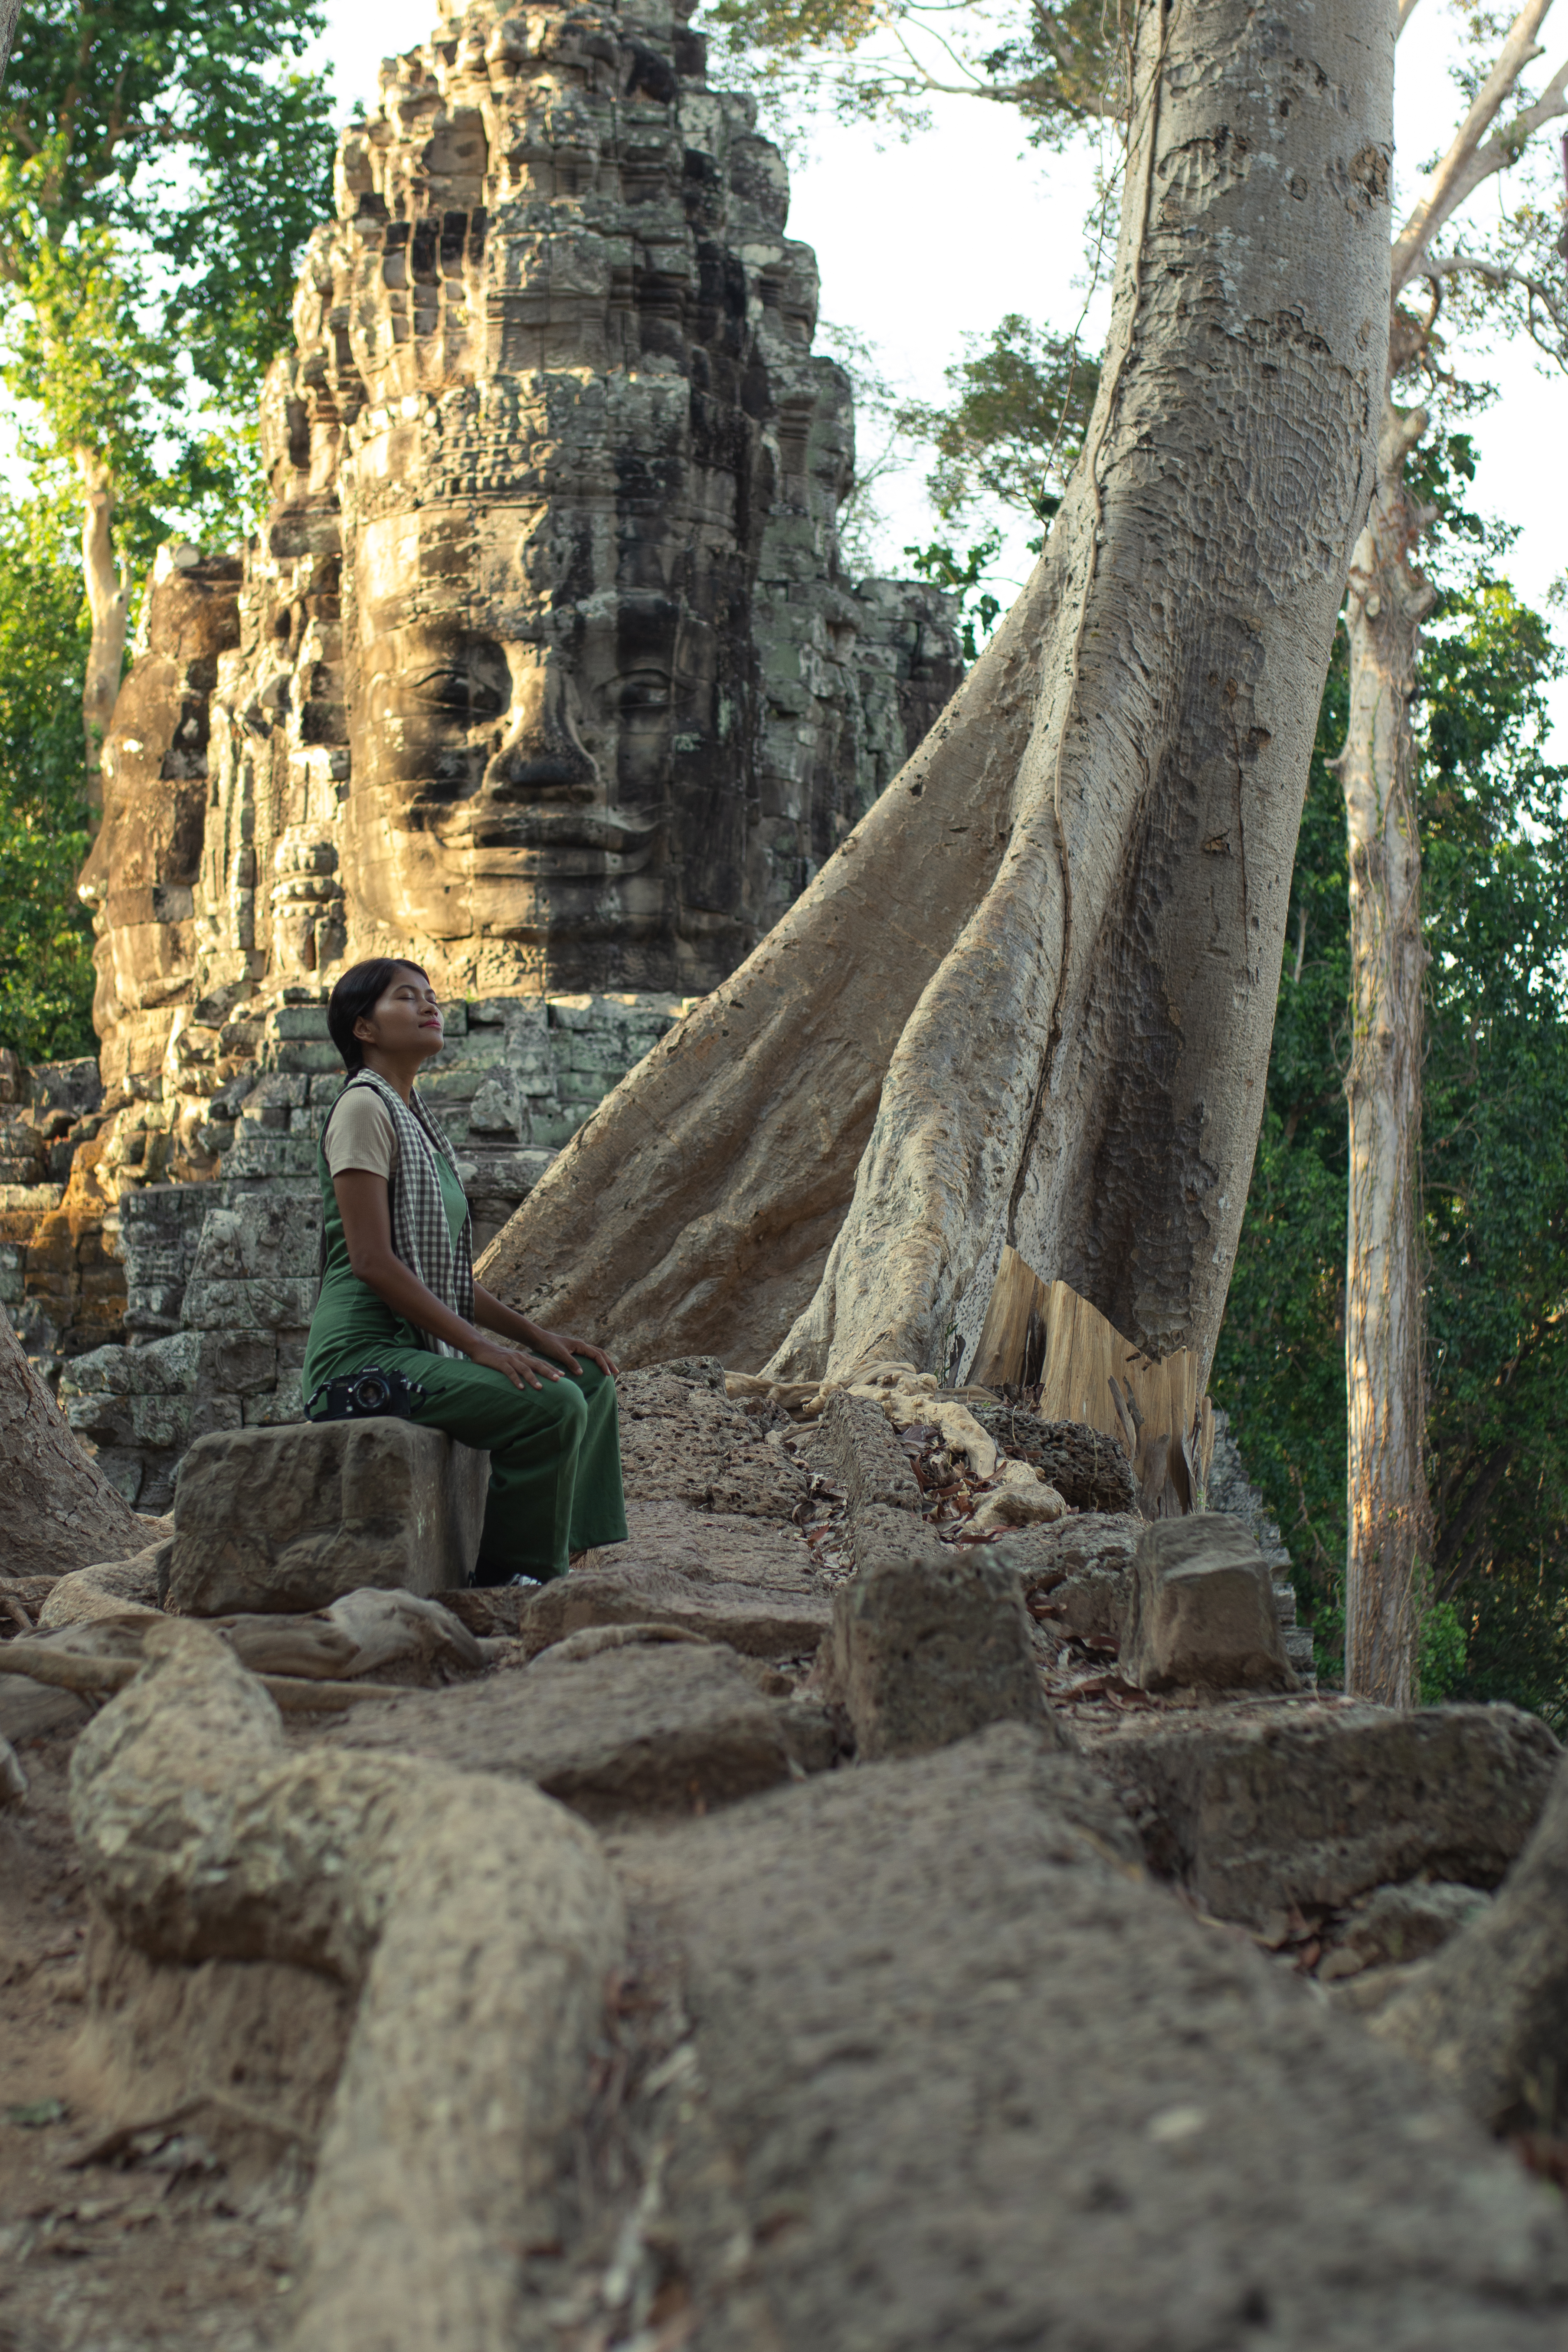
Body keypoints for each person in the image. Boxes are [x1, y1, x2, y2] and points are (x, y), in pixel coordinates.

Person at [301, 957, 626, 1584]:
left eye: (432, 996)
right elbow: (371, 1262)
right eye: (407, 997)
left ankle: (569, 1551)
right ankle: (510, 1579)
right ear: (364, 1028)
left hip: (413, 1346)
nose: (431, 1006)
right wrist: (478, 1349)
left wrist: (539, 1339)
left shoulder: (415, 1120)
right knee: (552, 1404)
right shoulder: (363, 1110)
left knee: (582, 1378)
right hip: (361, 1358)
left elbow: (449, 1280)